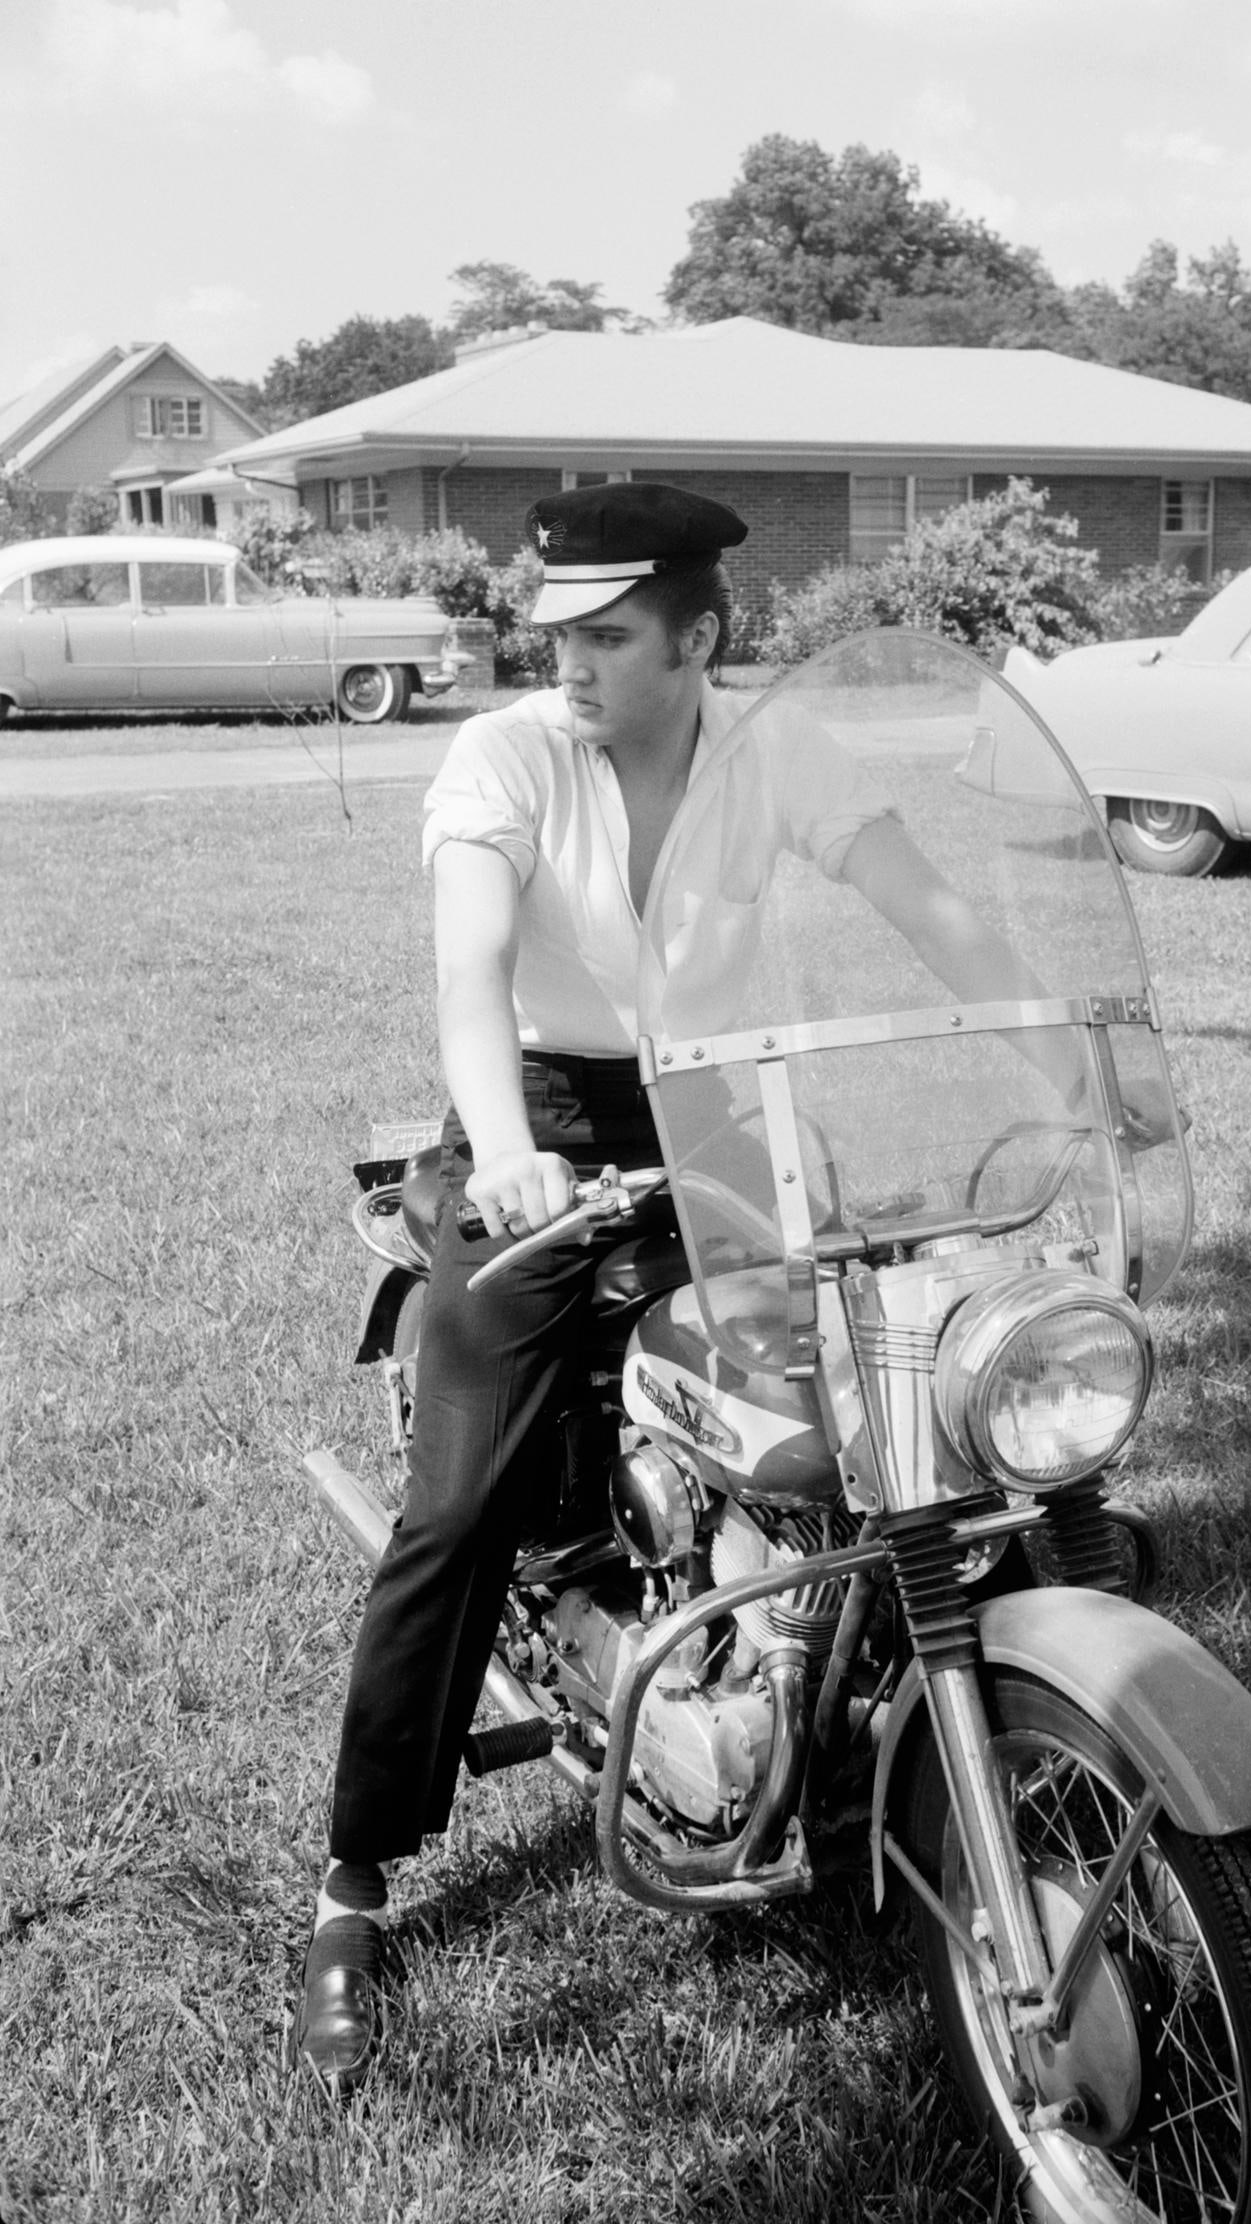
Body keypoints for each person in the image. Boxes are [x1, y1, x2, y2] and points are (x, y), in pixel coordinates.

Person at [294, 482, 1067, 2095]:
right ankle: (350, 1889)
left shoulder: (776, 751)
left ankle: (894, 1712)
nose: (569, 661)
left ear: (701, 634)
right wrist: (504, 1149)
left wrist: (1062, 1055)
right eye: (556, 632)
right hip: (548, 1131)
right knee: (455, 1511)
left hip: (720, 1113)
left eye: (609, 633)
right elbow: (469, 977)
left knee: (902, 1390)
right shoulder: (506, 756)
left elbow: (932, 913)